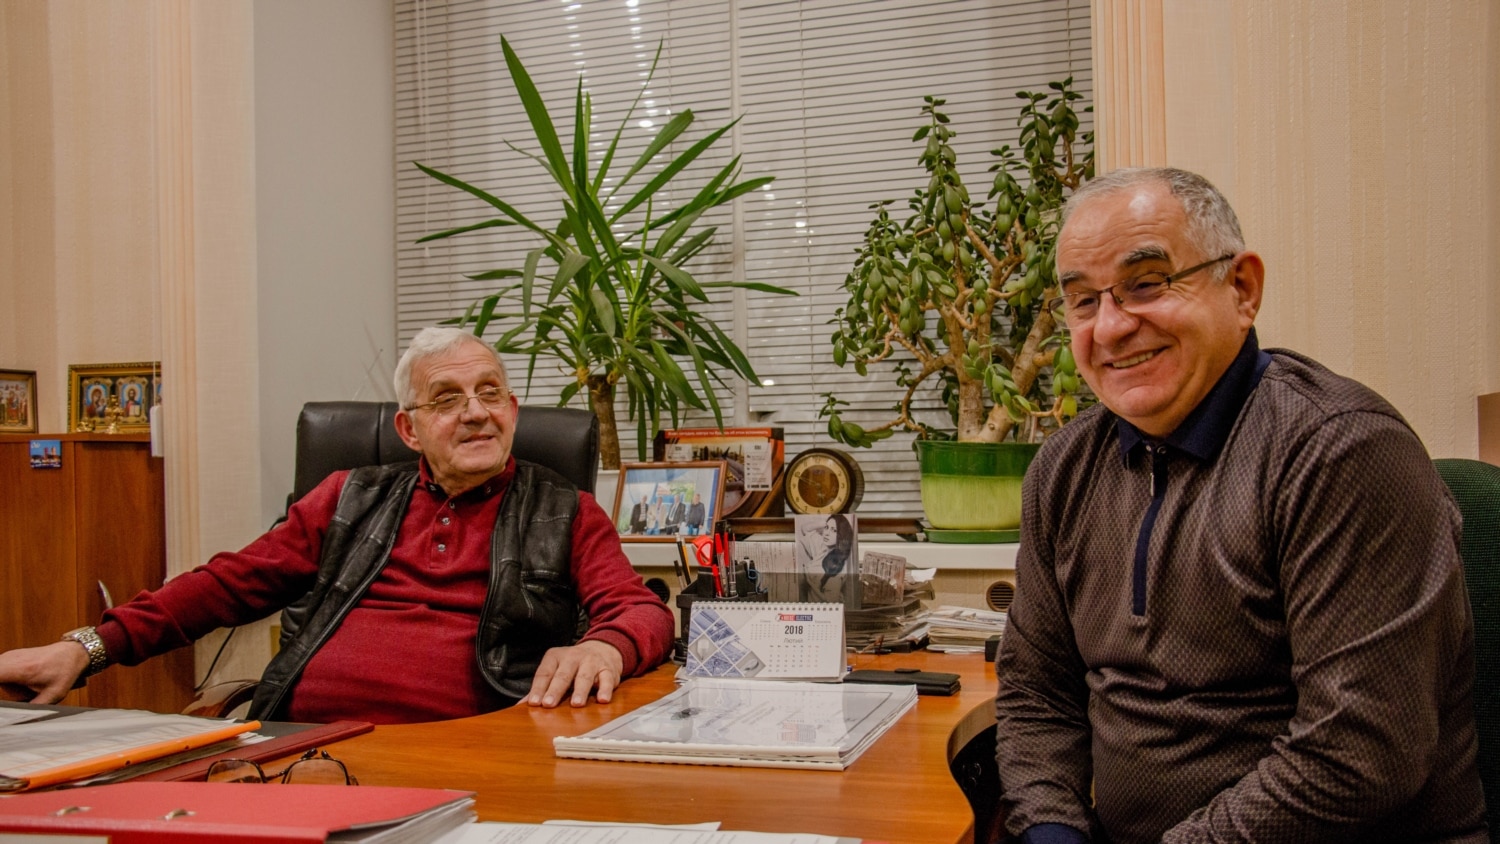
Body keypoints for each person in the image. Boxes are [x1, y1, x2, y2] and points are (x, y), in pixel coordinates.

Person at [994, 167, 1485, 843]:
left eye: (1147, 284)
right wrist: (1053, 830)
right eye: (1083, 301)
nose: (1110, 327)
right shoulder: (1064, 469)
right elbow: (1037, 692)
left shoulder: (1339, 450)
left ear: (1242, 288)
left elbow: (1356, 755)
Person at [0, 327, 676, 725]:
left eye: (490, 392)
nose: (476, 412)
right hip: (300, 740)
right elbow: (224, 585)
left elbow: (641, 612)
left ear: (513, 410)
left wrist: (605, 647)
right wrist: (86, 648)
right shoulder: (349, 497)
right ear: (408, 429)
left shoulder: (564, 510)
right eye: (447, 399)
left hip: (463, 746)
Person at [796, 514, 853, 603]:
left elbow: (832, 602)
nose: (826, 533)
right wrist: (824, 523)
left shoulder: (838, 567)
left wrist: (807, 582)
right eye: (826, 528)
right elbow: (805, 528)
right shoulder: (822, 547)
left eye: (834, 530)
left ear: (841, 535)